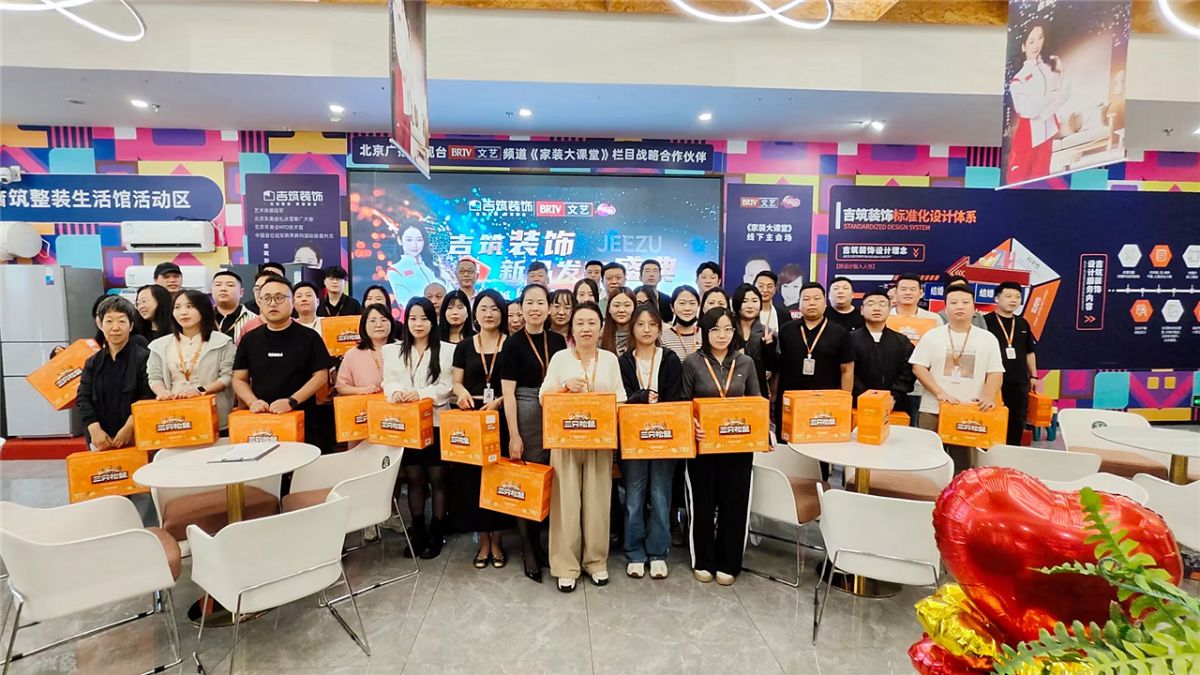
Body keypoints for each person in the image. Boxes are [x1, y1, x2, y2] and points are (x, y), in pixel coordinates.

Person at [540, 302, 627, 592]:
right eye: (580, 323)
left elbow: (621, 398)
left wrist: (605, 409)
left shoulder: (610, 359)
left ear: (601, 328)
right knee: (564, 503)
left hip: (600, 441)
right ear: (572, 329)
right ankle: (565, 565)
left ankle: (596, 561)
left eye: (592, 323)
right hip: (564, 441)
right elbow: (544, 397)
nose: (586, 329)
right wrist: (565, 388)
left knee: (598, 502)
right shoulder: (560, 358)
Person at [682, 307, 760, 586]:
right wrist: (692, 423)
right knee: (702, 504)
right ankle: (703, 559)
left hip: (738, 446)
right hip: (703, 447)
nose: (722, 335)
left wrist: (764, 432)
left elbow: (756, 401)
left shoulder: (745, 362)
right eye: (715, 329)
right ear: (705, 332)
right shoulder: (692, 363)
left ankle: (729, 562)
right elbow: (683, 403)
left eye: (728, 329)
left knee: (734, 504)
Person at [500, 284, 567, 583]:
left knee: (552, 478)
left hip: (555, 409)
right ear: (521, 308)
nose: (535, 308)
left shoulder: (558, 340)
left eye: (541, 302)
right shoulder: (512, 344)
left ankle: (542, 543)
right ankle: (528, 547)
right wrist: (514, 435)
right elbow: (508, 394)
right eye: (530, 303)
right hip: (526, 410)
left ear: (550, 308)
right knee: (528, 481)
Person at [382, 297, 454, 559]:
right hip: (407, 426)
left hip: (435, 422)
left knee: (438, 479)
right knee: (414, 479)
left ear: (432, 321)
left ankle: (437, 530)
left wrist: (420, 394)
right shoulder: (392, 350)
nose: (418, 323)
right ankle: (418, 530)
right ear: (405, 321)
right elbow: (387, 382)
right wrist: (397, 392)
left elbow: (447, 387)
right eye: (413, 318)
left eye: (424, 318)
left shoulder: (447, 350)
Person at [232, 275, 334, 454]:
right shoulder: (250, 339)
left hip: (303, 418)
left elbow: (321, 375)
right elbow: (239, 379)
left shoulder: (309, 337)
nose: (273, 303)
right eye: (267, 298)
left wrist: (292, 401)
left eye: (279, 298)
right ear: (260, 302)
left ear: (292, 302)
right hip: (262, 421)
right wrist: (252, 402)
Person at [617, 304, 683, 580]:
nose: (646, 330)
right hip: (633, 439)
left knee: (660, 495)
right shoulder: (623, 361)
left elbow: (677, 398)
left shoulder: (670, 359)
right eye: (641, 324)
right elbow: (622, 399)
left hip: (664, 437)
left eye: (652, 324)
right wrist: (642, 397)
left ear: (659, 328)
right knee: (633, 497)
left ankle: (657, 552)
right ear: (632, 328)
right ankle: (634, 552)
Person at [910, 286, 1005, 474]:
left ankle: (959, 491)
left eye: (965, 302)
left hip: (969, 410)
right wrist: (940, 393)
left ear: (974, 308)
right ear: (946, 308)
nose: (959, 306)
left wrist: (988, 397)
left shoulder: (987, 339)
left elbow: (995, 372)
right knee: (927, 459)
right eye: (953, 302)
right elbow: (918, 367)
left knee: (963, 463)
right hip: (934, 408)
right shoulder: (932, 335)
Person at [448, 290, 511, 569]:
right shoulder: (464, 346)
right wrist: (461, 392)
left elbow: (516, 385)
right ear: (475, 313)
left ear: (502, 313)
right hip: (472, 419)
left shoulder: (511, 344)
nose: (489, 314)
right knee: (472, 480)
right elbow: (456, 382)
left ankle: (497, 540)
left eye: (494, 308)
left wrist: (499, 402)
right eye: (484, 308)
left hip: (501, 418)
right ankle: (483, 541)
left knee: (499, 478)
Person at [776, 283, 854, 445]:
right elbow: (778, 367)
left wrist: (844, 402)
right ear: (799, 304)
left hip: (824, 403)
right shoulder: (786, 330)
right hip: (790, 401)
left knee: (821, 446)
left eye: (817, 298)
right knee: (787, 446)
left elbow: (847, 370)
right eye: (806, 299)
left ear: (825, 303)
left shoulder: (839, 333)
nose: (811, 303)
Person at [147, 290, 236, 431]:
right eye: (177, 307)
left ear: (203, 310)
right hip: (175, 417)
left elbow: (228, 376)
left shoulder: (222, 342)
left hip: (214, 416)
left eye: (189, 306)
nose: (183, 312)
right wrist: (162, 392)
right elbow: (154, 377)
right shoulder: (160, 345)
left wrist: (200, 390)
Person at [78, 296, 153, 451]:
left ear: (131, 326)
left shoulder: (145, 358)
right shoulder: (92, 362)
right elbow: (83, 397)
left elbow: (148, 395)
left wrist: (130, 427)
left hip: (137, 436)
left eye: (122, 321)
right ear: (100, 324)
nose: (115, 327)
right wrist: (94, 428)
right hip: (100, 439)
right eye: (109, 321)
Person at [1006, 23, 1070, 185]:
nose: (1036, 45)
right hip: (1027, 138)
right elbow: (1027, 110)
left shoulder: (1051, 66)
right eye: (1031, 41)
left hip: (1047, 133)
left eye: (1040, 38)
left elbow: (1064, 93)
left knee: (1041, 177)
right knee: (1016, 181)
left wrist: (1059, 75)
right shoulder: (1018, 80)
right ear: (1023, 46)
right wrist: (1050, 98)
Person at [983, 281, 1038, 445]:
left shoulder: (1022, 323)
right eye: (1008, 296)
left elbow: (1029, 352)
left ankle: (1013, 450)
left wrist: (1033, 376)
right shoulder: (985, 322)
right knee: (991, 417)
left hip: (1019, 381)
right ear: (996, 298)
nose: (1013, 300)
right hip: (992, 381)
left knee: (1017, 419)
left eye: (1017, 297)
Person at [891, 274, 945, 423]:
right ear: (895, 292)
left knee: (918, 428)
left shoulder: (933, 319)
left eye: (912, 289)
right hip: (892, 386)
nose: (908, 293)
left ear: (921, 293)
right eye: (903, 289)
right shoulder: (885, 316)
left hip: (923, 386)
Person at [849, 289, 915, 408]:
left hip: (894, 404)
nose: (877, 308)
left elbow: (908, 372)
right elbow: (847, 372)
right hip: (857, 403)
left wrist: (893, 396)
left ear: (889, 310)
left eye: (882, 304)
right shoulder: (849, 339)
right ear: (862, 310)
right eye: (871, 304)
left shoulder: (902, 341)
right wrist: (863, 396)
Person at [335, 303, 394, 397]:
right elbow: (341, 387)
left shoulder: (403, 350)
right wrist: (362, 390)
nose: (379, 325)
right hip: (365, 404)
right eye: (372, 321)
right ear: (364, 325)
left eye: (383, 320)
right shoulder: (352, 355)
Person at [732, 283, 774, 398]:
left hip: (758, 390)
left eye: (754, 301)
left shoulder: (768, 333)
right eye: (745, 301)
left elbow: (772, 367)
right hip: (731, 388)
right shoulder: (728, 330)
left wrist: (768, 346)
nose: (750, 306)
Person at [387, 220, 443, 305]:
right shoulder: (395, 270)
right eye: (409, 240)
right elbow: (405, 303)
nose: (414, 245)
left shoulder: (433, 265)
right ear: (400, 240)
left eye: (419, 240)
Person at [661, 285, 702, 361]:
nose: (687, 308)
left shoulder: (706, 335)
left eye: (692, 303)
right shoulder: (662, 338)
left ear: (698, 306)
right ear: (672, 307)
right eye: (682, 303)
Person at [212, 270, 253, 343]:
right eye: (218, 285)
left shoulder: (254, 320)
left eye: (230, 285)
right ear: (211, 291)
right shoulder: (201, 319)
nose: (223, 289)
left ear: (241, 292)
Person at [600, 287, 636, 356]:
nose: (621, 310)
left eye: (627, 305)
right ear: (609, 309)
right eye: (616, 305)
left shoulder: (641, 334)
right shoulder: (600, 335)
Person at [753, 271, 782, 335]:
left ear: (775, 289)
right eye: (761, 286)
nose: (765, 290)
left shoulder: (783, 314)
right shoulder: (748, 312)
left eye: (769, 286)